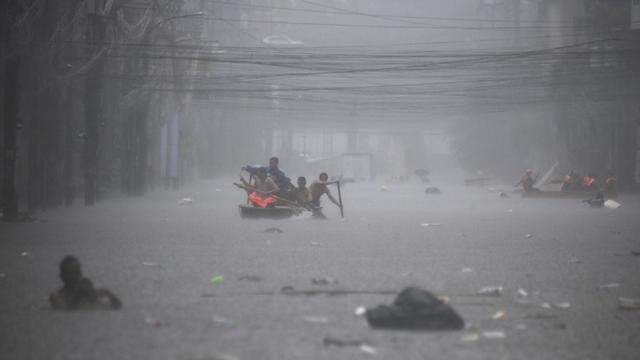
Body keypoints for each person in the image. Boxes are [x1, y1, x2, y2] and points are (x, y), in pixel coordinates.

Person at [49, 256, 122, 310]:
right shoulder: (56, 296)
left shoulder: (90, 291)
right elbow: (65, 312)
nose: (75, 277)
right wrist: (79, 297)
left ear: (81, 274)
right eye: (70, 273)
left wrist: (107, 293)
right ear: (62, 276)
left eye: (77, 273)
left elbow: (119, 306)